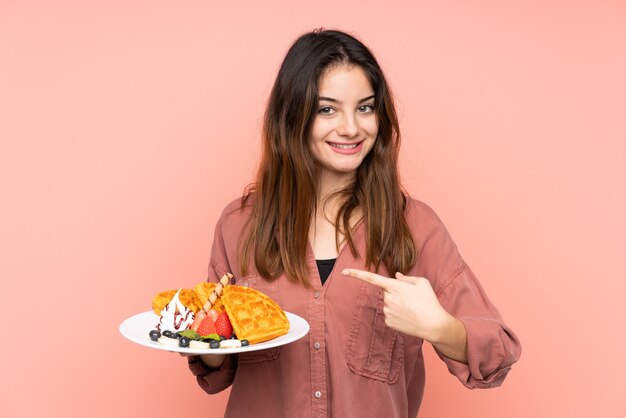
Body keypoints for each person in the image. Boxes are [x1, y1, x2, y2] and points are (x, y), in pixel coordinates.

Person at [185, 29, 521, 417]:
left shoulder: (415, 228)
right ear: (293, 116)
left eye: (365, 107)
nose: (351, 128)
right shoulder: (239, 225)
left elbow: (497, 353)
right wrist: (205, 339)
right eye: (327, 109)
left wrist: (440, 327)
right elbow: (215, 370)